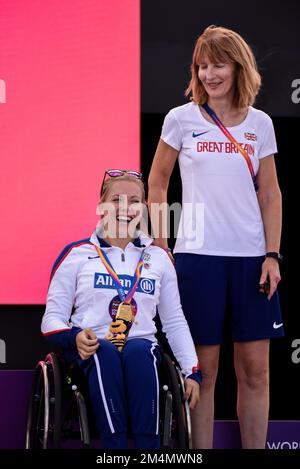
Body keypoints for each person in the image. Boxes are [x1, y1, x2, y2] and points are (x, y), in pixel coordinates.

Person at [148, 25, 283, 449]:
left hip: (250, 261)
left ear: (238, 67)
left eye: (218, 64)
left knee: (255, 371)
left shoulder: (259, 124)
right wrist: (160, 243)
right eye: (202, 65)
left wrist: (272, 254)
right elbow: (157, 182)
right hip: (197, 259)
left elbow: (270, 192)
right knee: (201, 371)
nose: (209, 74)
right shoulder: (180, 118)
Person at [41, 169, 201, 450]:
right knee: (106, 353)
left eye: (135, 201)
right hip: (91, 349)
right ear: (101, 206)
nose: (125, 208)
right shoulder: (76, 254)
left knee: (139, 351)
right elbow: (51, 319)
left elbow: (174, 321)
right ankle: (114, 449)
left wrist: (191, 371)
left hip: (141, 348)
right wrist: (75, 336)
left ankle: (148, 450)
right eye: (116, 199)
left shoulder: (159, 258)